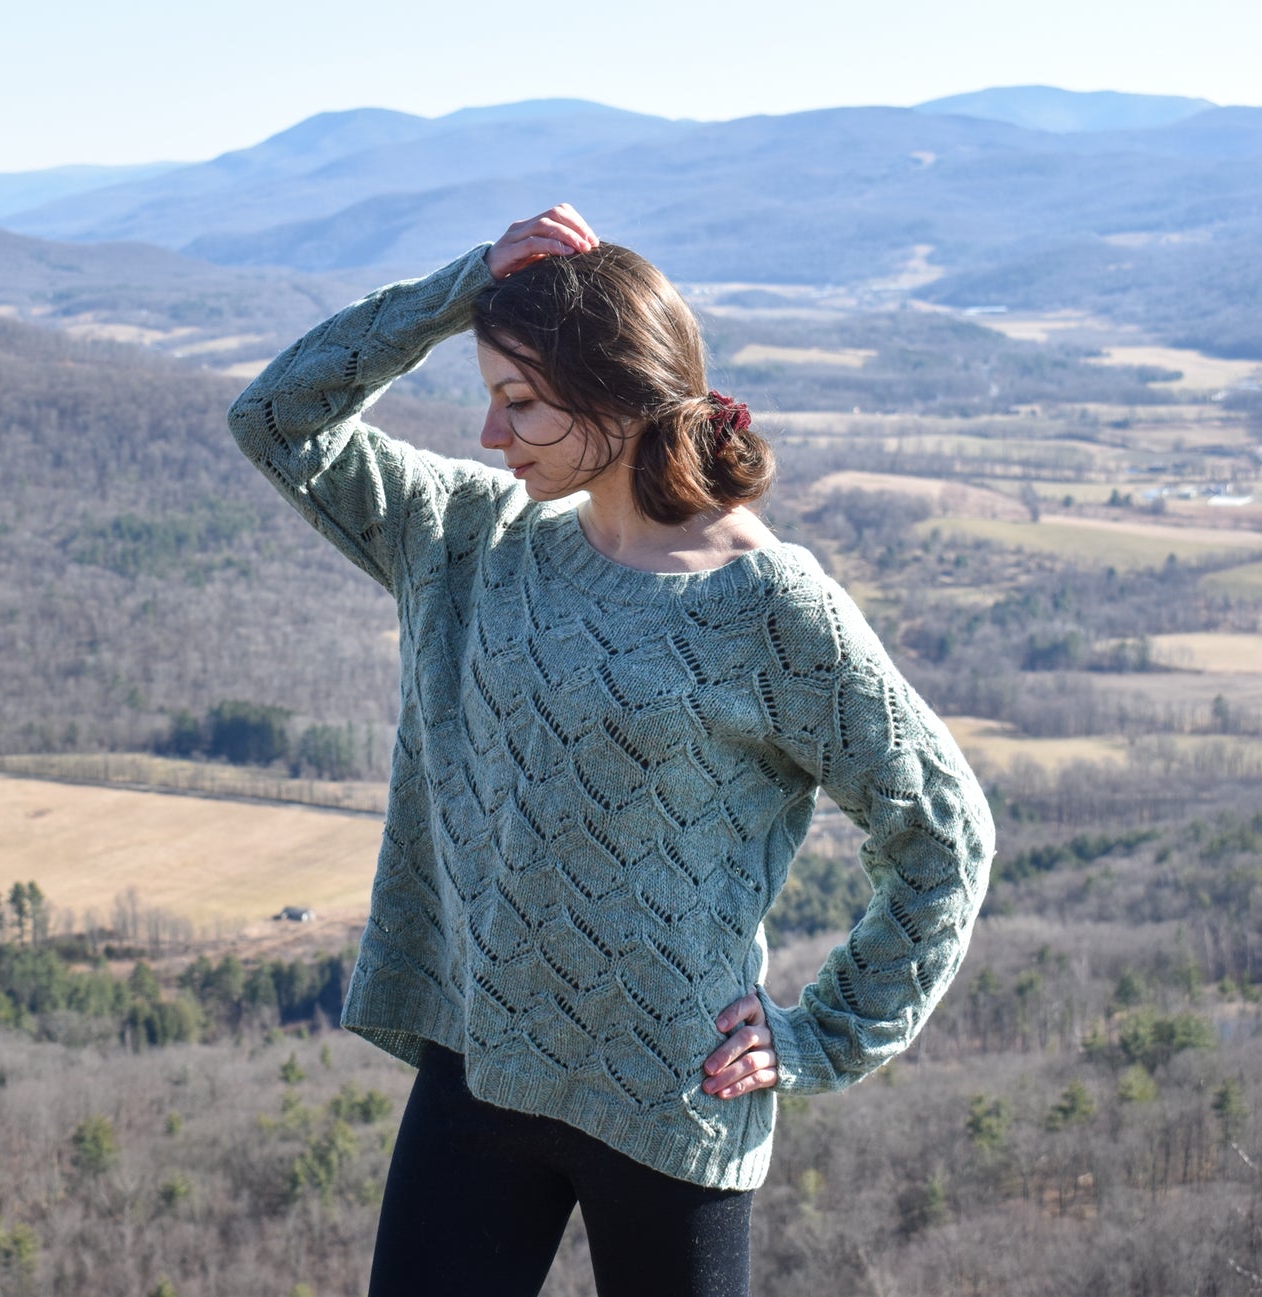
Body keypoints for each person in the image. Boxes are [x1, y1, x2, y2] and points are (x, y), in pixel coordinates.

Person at [227, 205, 995, 1297]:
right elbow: (276, 419)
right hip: (477, 1071)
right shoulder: (469, 537)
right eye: (492, 399)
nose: (491, 436)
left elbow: (942, 834)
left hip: (671, 1099)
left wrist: (824, 1034)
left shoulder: (769, 610)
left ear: (623, 400)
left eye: (520, 402)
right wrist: (463, 288)